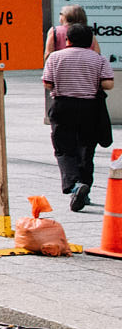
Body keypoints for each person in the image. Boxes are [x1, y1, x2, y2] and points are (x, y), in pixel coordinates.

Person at [42, 22, 113, 211]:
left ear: (68, 40)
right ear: (90, 41)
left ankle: (74, 185)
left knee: (64, 149)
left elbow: (48, 83)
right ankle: (84, 190)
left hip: (63, 106)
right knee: (86, 149)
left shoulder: (55, 57)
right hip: (90, 108)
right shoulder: (98, 59)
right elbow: (108, 84)